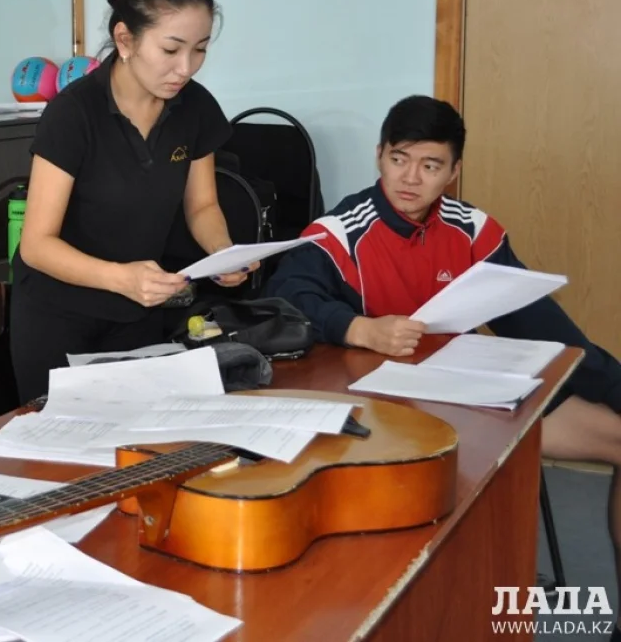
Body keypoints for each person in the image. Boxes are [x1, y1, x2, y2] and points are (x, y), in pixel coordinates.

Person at [265, 94, 621, 625]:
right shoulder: (342, 229)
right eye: (398, 159)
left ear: (453, 172)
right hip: (380, 413)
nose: (410, 178)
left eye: (430, 166)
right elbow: (287, 294)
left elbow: (548, 333)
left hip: (475, 398)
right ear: (379, 155)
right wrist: (360, 328)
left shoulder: (473, 231)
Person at [9, 0, 255, 404]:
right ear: (125, 39)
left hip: (138, 308)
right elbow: (37, 245)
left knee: (140, 447)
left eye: (199, 49)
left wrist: (223, 253)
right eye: (171, 49)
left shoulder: (194, 107)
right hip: (59, 315)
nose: (186, 67)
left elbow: (201, 206)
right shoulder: (74, 113)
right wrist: (120, 278)